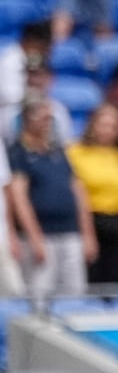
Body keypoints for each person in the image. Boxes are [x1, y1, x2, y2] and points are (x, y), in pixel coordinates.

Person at [9, 104, 92, 299]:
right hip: (42, 235)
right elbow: (19, 198)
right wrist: (35, 237)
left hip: (70, 232)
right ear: (29, 120)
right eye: (44, 118)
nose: (48, 123)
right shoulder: (18, 153)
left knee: (75, 291)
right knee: (40, 292)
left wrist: (88, 233)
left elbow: (78, 192)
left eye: (50, 119)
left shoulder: (58, 152)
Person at [65, 103, 118, 284]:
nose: (107, 131)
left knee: (113, 278)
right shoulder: (75, 152)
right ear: (93, 125)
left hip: (116, 226)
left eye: (113, 127)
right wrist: (87, 234)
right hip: (88, 220)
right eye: (103, 125)